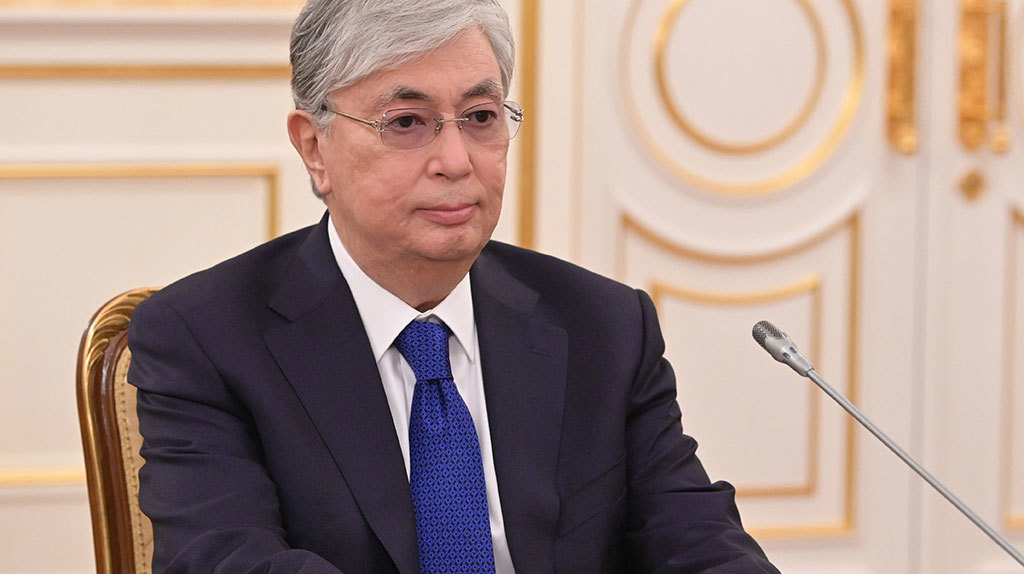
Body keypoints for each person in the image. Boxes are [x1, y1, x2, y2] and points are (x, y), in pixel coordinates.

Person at [126, 0, 780, 572]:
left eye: (481, 117)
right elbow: (226, 558)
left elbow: (697, 542)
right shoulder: (208, 337)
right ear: (314, 148)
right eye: (406, 122)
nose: (456, 161)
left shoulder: (604, 327)